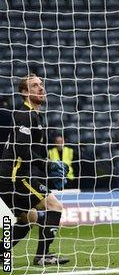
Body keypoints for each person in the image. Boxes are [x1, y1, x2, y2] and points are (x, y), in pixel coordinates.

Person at [0, 74, 69, 265]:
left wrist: (46, 168)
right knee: (54, 206)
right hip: (15, 177)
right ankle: (43, 256)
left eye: (41, 84)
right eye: (34, 85)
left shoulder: (36, 116)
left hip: (13, 177)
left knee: (28, 219)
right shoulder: (24, 115)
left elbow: (31, 152)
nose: (40, 88)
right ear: (24, 92)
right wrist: (48, 165)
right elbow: (23, 150)